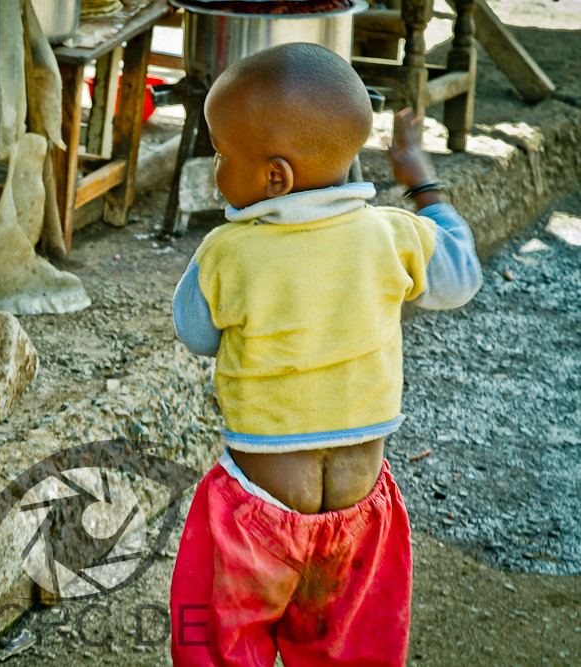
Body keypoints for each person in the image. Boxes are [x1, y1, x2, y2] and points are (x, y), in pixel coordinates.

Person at [169, 42, 482, 666]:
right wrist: (423, 183)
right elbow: (461, 276)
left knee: (221, 649)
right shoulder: (394, 234)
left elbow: (196, 333)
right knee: (350, 653)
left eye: (222, 156)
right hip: (361, 517)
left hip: (255, 518)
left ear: (275, 176)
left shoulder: (226, 252)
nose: (215, 172)